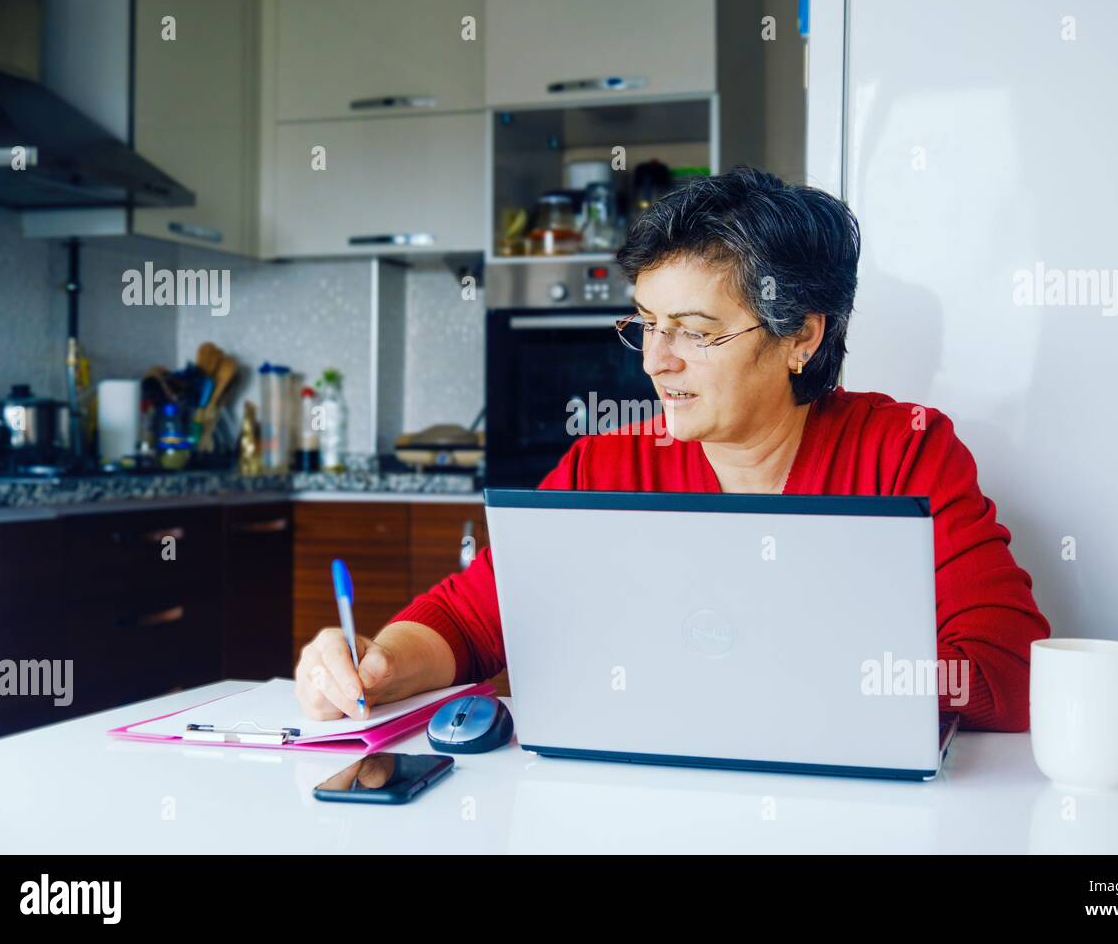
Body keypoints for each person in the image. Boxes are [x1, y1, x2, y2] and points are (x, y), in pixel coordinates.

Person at [294, 166, 1051, 732]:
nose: (656, 360)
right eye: (647, 324)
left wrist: (834, 669)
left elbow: (1009, 671)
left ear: (801, 337)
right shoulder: (603, 468)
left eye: (694, 330)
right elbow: (468, 623)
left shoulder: (903, 452)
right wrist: (378, 662)